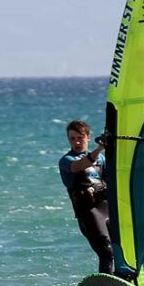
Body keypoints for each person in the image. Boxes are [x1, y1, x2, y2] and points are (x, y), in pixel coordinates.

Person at [58, 119, 119, 277]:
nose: (77, 142)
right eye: (72, 138)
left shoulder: (101, 160)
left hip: (107, 209)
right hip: (89, 214)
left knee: (120, 250)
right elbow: (80, 166)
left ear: (88, 137)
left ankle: (124, 283)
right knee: (106, 251)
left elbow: (112, 182)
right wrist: (100, 148)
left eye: (80, 137)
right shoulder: (66, 161)